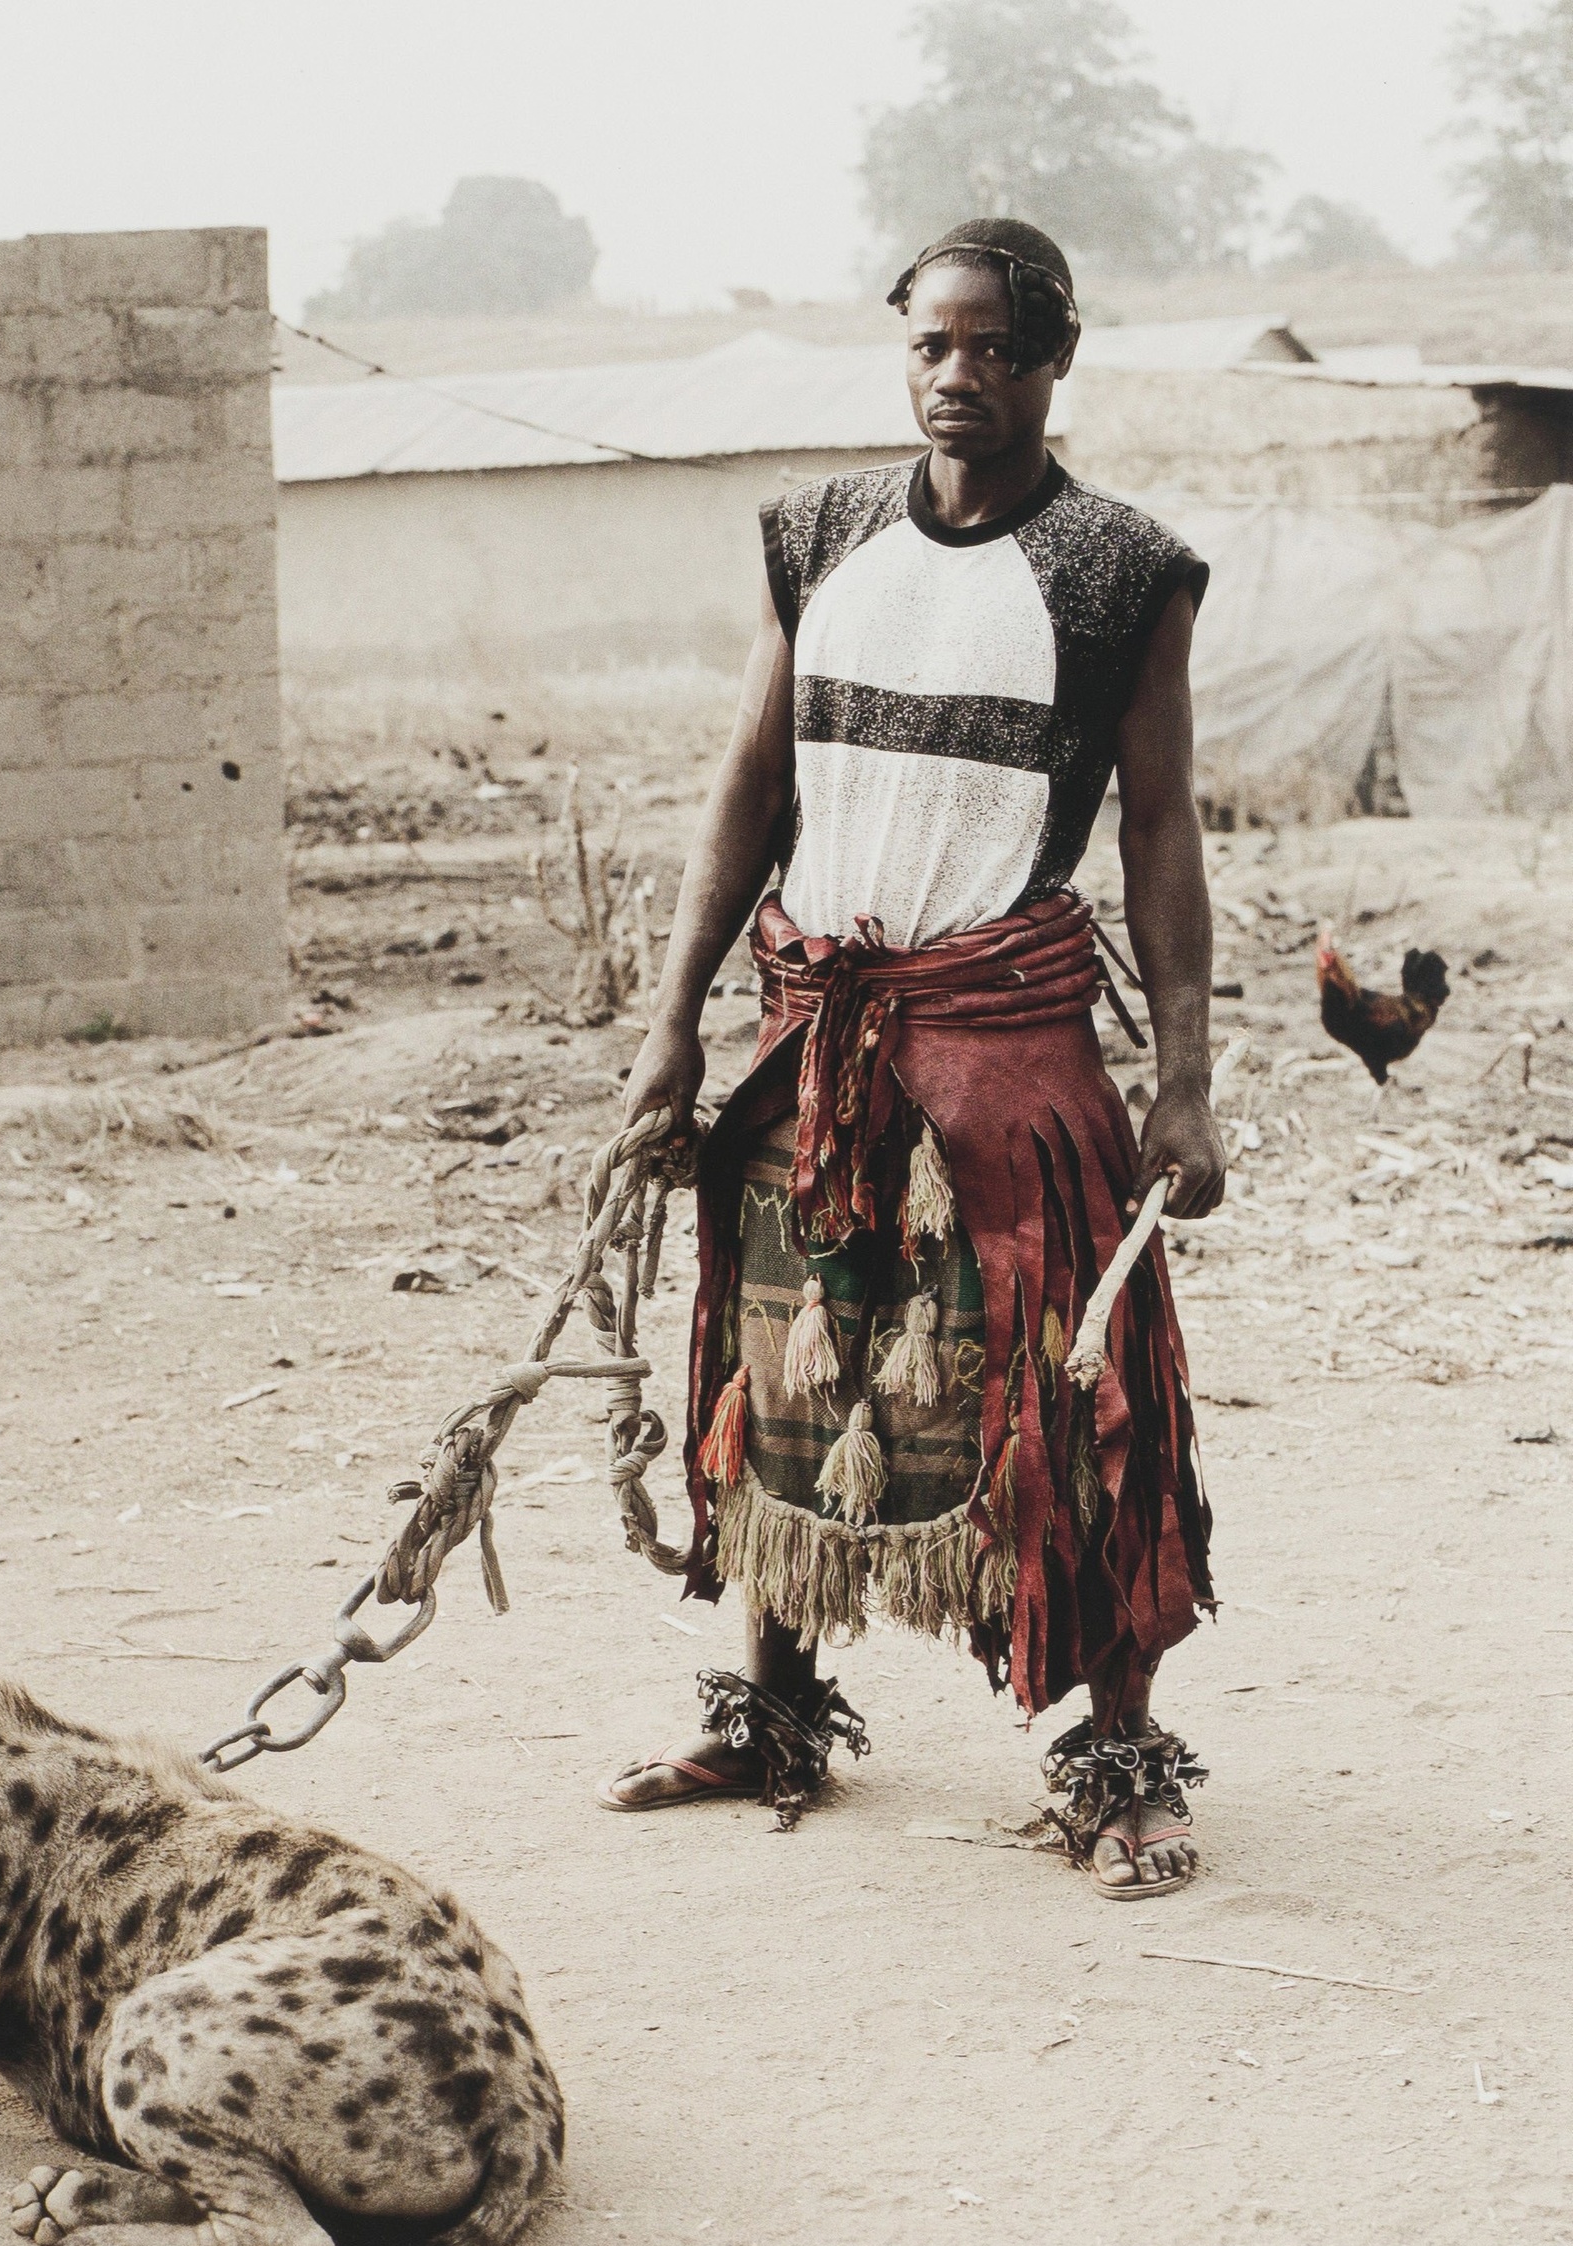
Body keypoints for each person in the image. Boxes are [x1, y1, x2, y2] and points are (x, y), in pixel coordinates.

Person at [596, 219, 1221, 1898]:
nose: (961, 378)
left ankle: (1115, 1760)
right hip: (818, 1034)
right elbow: (748, 785)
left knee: (1068, 1400)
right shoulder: (821, 538)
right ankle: (776, 1713)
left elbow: (1161, 829)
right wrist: (672, 1019)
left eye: (996, 349)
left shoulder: (1119, 571)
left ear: (1057, 361)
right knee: (794, 1367)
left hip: (1007, 1042)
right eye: (933, 348)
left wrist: (1185, 1074)